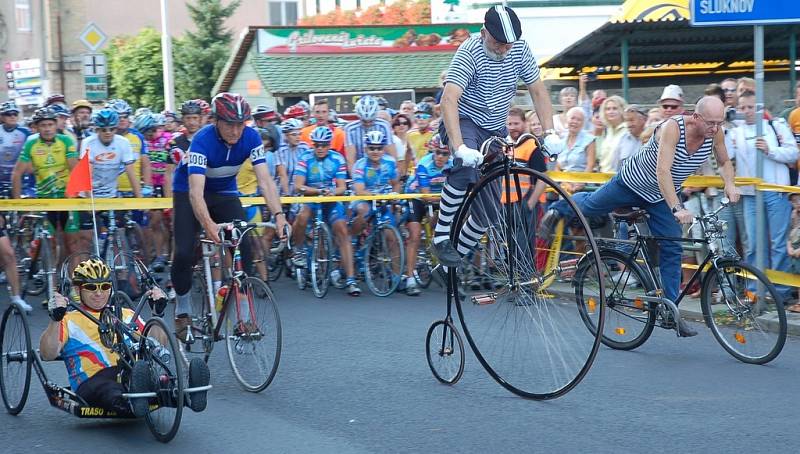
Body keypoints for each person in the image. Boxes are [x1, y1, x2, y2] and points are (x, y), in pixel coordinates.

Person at [539, 96, 741, 337]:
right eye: (710, 122)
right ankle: (558, 209)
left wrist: (730, 183)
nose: (715, 128)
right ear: (695, 117)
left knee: (672, 246)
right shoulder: (673, 128)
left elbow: (724, 161)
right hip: (631, 183)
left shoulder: (715, 133)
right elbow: (662, 170)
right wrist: (677, 208)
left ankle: (670, 309)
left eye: (719, 122)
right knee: (592, 206)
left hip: (658, 197)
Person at [432, 5, 559, 266]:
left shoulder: (519, 49)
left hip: (494, 128)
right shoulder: (469, 52)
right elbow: (449, 100)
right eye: (499, 43)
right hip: (464, 120)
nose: (504, 50)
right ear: (483, 33)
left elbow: (537, 90)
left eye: (508, 45)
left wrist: (549, 131)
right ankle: (441, 237)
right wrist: (459, 147)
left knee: (489, 212)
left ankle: (451, 261)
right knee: (466, 168)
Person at [170, 93, 287, 342]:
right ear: (216, 121)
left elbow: (265, 181)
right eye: (229, 124)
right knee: (183, 251)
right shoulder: (202, 139)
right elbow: (195, 192)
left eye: (240, 124)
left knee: (244, 248)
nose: (235, 131)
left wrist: (279, 215)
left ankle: (243, 320)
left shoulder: (252, 137)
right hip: (189, 191)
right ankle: (182, 310)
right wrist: (208, 224)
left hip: (224, 191)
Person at [39, 258, 210, 416]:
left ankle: (188, 396)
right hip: (93, 380)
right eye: (91, 287)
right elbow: (48, 353)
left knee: (161, 382)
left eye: (104, 286)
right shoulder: (68, 320)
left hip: (131, 373)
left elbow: (157, 341)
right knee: (110, 390)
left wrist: (157, 312)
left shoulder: (126, 314)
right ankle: (133, 401)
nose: (99, 293)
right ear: (78, 289)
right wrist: (55, 318)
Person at [725, 90, 798, 300]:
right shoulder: (736, 132)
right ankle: (755, 290)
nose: (747, 111)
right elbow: (725, 155)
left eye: (751, 107)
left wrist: (770, 150)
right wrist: (724, 130)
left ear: (760, 108)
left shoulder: (776, 126)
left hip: (775, 191)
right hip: (750, 195)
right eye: (743, 107)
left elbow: (793, 153)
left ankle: (780, 292)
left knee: (777, 244)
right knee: (755, 245)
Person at [12, 107, 80, 286]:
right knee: (49, 245)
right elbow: (17, 173)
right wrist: (18, 203)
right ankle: (54, 286)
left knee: (72, 244)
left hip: (67, 199)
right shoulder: (31, 143)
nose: (48, 128)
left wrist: (79, 193)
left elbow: (75, 168)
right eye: (43, 125)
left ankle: (73, 285)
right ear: (36, 127)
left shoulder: (65, 140)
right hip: (46, 200)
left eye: (51, 124)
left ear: (56, 124)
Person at [291, 126, 361, 296]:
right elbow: (298, 186)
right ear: (312, 145)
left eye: (324, 145)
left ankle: (351, 279)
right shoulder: (305, 158)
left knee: (342, 230)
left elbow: (342, 187)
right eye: (317, 145)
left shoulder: (337, 158)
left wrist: (331, 192)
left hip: (330, 201)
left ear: (329, 145)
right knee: (302, 216)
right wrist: (317, 191)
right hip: (312, 199)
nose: (320, 148)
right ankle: (298, 250)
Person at [403, 134, 453, 296]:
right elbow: (425, 196)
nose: (440, 157)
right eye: (437, 152)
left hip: (438, 197)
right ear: (432, 151)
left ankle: (433, 246)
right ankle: (410, 278)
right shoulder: (424, 164)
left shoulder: (453, 164)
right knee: (415, 235)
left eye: (444, 154)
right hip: (416, 197)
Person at [349, 130, 401, 239]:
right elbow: (359, 191)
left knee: (392, 236)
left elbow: (396, 183)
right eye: (372, 148)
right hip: (363, 198)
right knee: (364, 210)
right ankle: (352, 238)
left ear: (384, 149)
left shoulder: (390, 162)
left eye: (379, 148)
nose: (375, 151)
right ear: (366, 149)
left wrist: (395, 195)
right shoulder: (360, 165)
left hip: (382, 198)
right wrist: (376, 197)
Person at [344, 96, 396, 175]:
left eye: (371, 121)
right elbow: (350, 159)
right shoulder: (350, 129)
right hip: (360, 169)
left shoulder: (384, 125)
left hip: (382, 169)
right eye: (364, 121)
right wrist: (355, 178)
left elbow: (392, 155)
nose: (368, 124)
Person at [553, 107, 596, 190]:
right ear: (567, 120)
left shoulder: (589, 139)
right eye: (572, 118)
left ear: (583, 123)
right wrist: (564, 183)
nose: (575, 122)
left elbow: (591, 165)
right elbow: (557, 166)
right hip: (564, 186)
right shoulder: (560, 140)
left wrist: (580, 182)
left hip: (584, 185)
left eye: (579, 119)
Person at [595, 95, 628, 173]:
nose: (611, 112)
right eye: (607, 109)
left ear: (622, 110)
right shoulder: (606, 131)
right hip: (603, 176)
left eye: (615, 108)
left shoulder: (628, 130)